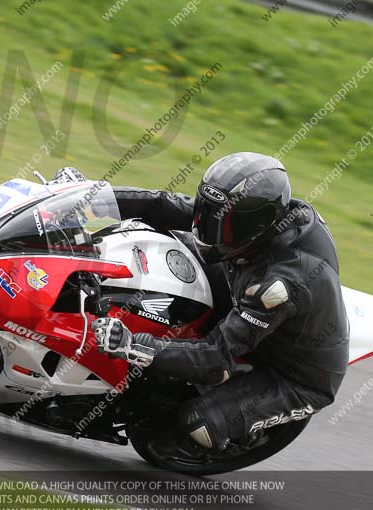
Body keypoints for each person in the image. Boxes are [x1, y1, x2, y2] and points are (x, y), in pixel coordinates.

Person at [79, 153, 349, 452]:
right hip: (247, 288)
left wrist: (132, 344)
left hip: (291, 375)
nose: (205, 227)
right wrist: (91, 197)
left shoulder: (278, 285)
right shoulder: (260, 223)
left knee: (198, 425)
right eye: (208, 212)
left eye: (221, 221)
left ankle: (224, 397)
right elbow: (165, 205)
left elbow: (214, 358)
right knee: (167, 247)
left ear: (254, 224)